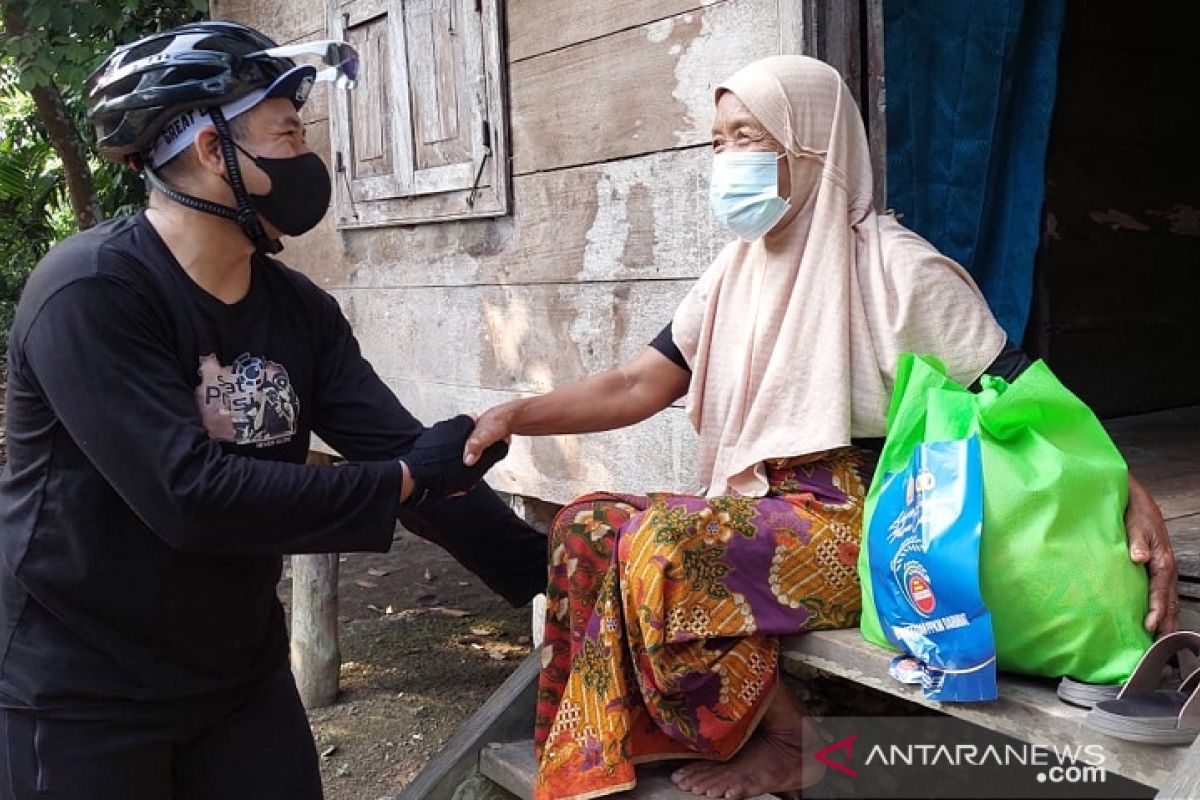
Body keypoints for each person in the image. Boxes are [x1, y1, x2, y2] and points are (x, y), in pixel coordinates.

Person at [463, 55, 1180, 800]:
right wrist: (518, 413)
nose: (726, 159)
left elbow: (1023, 395)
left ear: (814, 147)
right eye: (717, 140)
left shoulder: (899, 271)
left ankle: (794, 740)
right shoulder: (735, 271)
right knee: (585, 525)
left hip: (867, 515)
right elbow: (638, 383)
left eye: (749, 136)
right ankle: (615, 745)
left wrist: (1127, 488)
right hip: (759, 503)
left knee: (666, 550)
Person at [0, 21, 538, 800]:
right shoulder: (92, 293)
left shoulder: (298, 310)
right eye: (286, 133)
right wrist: (401, 482)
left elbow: (405, 454)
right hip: (81, 687)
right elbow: (190, 499)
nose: (307, 157)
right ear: (215, 153)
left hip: (236, 674)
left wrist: (553, 580)